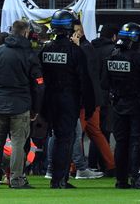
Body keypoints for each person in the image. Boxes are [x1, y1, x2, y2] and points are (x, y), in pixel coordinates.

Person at [0, 20, 43, 189]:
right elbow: (38, 85)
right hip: (20, 105)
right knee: (18, 142)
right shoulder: (29, 54)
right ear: (26, 33)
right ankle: (16, 180)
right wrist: (35, 109)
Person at [40, 10, 94, 189]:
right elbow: (84, 80)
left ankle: (57, 176)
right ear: (70, 28)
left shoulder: (45, 49)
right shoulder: (75, 51)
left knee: (56, 137)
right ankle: (59, 179)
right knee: (65, 139)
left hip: (49, 100)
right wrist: (89, 104)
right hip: (68, 100)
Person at [101, 22, 140, 189]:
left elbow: (104, 83)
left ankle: (120, 180)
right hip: (137, 105)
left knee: (121, 143)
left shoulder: (110, 57)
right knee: (137, 142)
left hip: (117, 105)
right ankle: (137, 180)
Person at [71, 19, 116, 176]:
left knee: (76, 133)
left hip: (87, 100)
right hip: (91, 98)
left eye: (77, 30)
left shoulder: (86, 48)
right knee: (94, 132)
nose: (76, 33)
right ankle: (110, 165)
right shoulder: (86, 47)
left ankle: (74, 167)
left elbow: (85, 75)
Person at [90, 24, 119, 172]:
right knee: (104, 131)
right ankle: (107, 165)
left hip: (91, 95)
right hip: (106, 96)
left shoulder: (90, 48)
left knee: (94, 131)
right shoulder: (113, 51)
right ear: (114, 37)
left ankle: (92, 164)